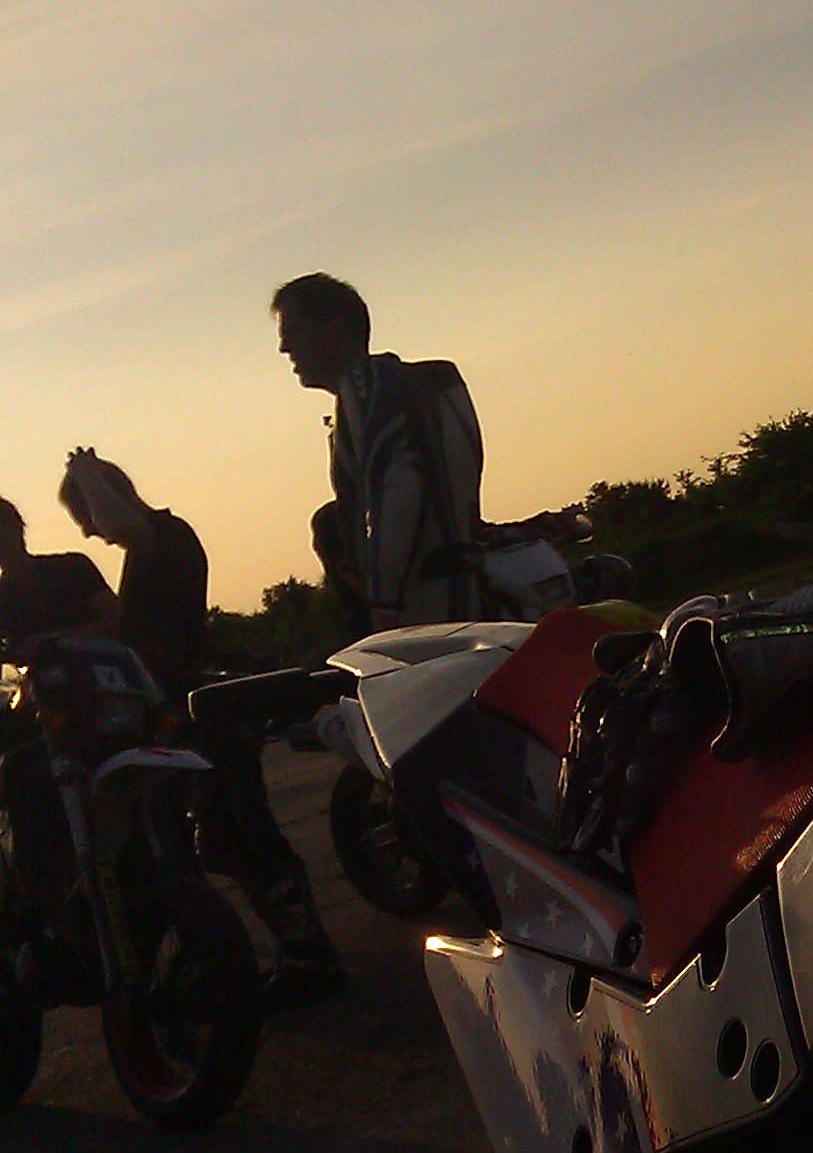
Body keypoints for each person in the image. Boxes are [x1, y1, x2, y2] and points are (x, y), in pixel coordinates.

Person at [59, 450, 344, 1007]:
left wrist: (88, 477)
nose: (90, 531)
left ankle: (311, 958)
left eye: (84, 515)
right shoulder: (153, 544)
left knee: (241, 832)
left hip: (205, 709)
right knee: (220, 837)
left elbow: (125, 525)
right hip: (189, 709)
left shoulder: (163, 535)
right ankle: (285, 952)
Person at [271, 273, 483, 631]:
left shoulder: (366, 385)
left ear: (334, 330)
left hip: (421, 611)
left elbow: (398, 488)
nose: (284, 347)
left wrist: (385, 602)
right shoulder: (420, 385)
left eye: (294, 331)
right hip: (458, 594)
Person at [0, 495, 115, 659]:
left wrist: (55, 640)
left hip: (100, 665)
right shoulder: (4, 599)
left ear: (17, 529)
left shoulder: (72, 567)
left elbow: (116, 619)